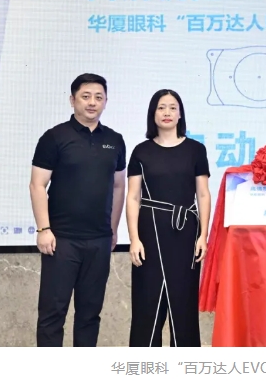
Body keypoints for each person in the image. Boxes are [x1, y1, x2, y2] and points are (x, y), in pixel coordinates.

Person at [30, 73, 126, 347]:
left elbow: (119, 186)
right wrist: (44, 229)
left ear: (105, 102)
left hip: (99, 240)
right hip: (61, 240)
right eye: (86, 96)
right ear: (72, 100)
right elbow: (37, 185)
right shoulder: (54, 137)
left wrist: (113, 230)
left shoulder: (115, 140)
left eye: (98, 97)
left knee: (89, 314)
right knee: (52, 313)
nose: (92, 102)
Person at [126, 89, 211, 347]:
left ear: (180, 114)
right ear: (153, 113)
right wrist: (134, 239)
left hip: (186, 232)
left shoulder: (196, 150)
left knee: (184, 301)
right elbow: (133, 197)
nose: (167, 113)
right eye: (161, 107)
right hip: (150, 231)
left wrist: (203, 236)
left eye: (173, 108)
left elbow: (203, 194)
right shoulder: (141, 151)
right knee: (147, 300)